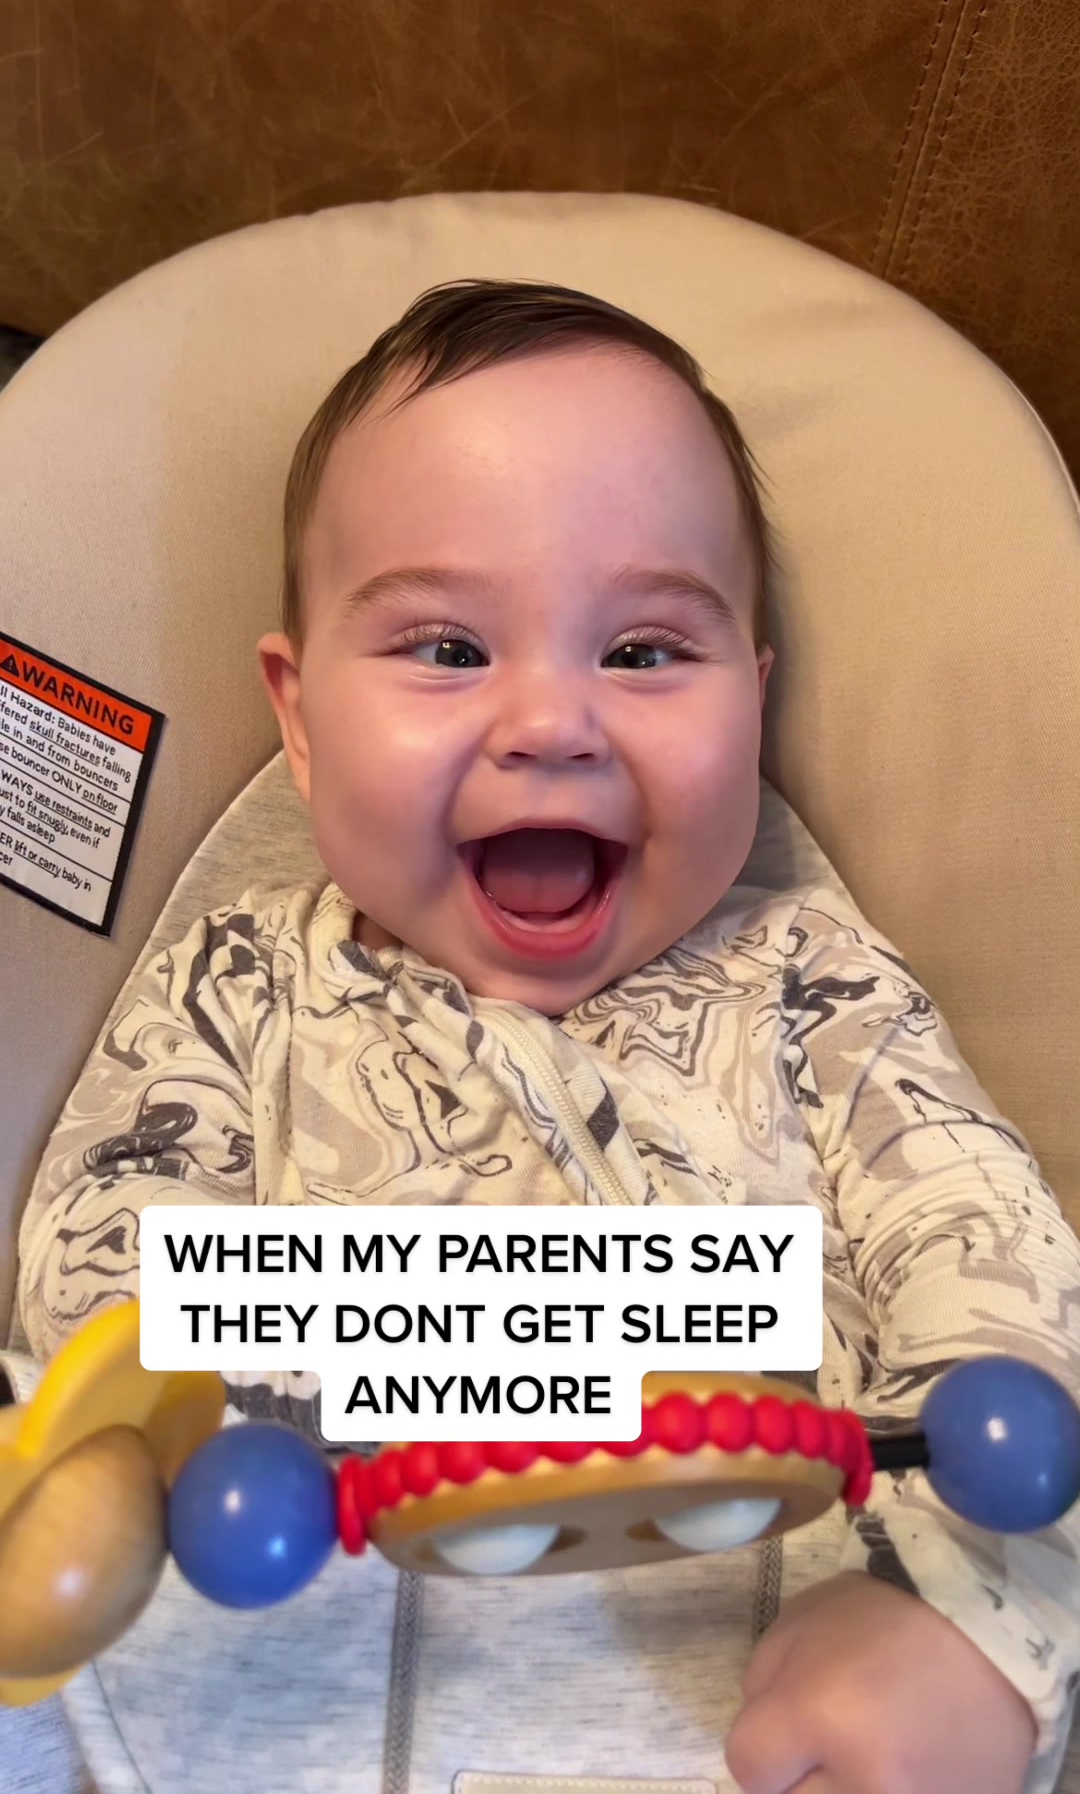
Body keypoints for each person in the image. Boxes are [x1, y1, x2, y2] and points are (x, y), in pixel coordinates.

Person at [11, 281, 1080, 1794]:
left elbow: (1002, 1274)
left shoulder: (814, 984)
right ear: (299, 716)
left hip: (781, 1715)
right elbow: (96, 1296)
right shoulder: (238, 982)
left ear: (752, 703)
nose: (551, 722)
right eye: (447, 647)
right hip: (265, 1699)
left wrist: (973, 1620)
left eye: (643, 653)